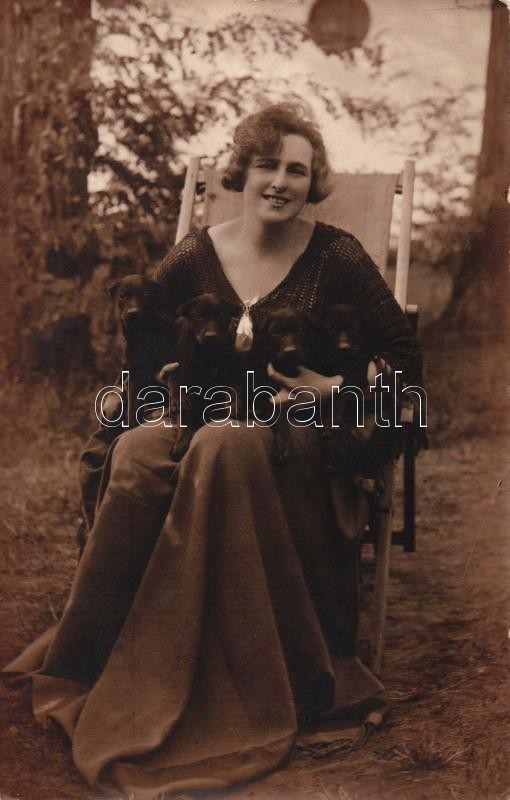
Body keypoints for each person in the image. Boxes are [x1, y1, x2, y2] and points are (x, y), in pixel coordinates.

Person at [3, 104, 422, 798]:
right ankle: (103, 657)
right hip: (201, 417)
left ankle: (230, 681)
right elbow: (146, 342)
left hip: (297, 436)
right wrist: (162, 389)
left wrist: (333, 388)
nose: (280, 182)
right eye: (267, 166)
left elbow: (403, 354)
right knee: (138, 452)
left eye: (297, 170)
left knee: (227, 446)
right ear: (241, 173)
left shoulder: (338, 256)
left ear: (313, 180)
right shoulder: (196, 255)